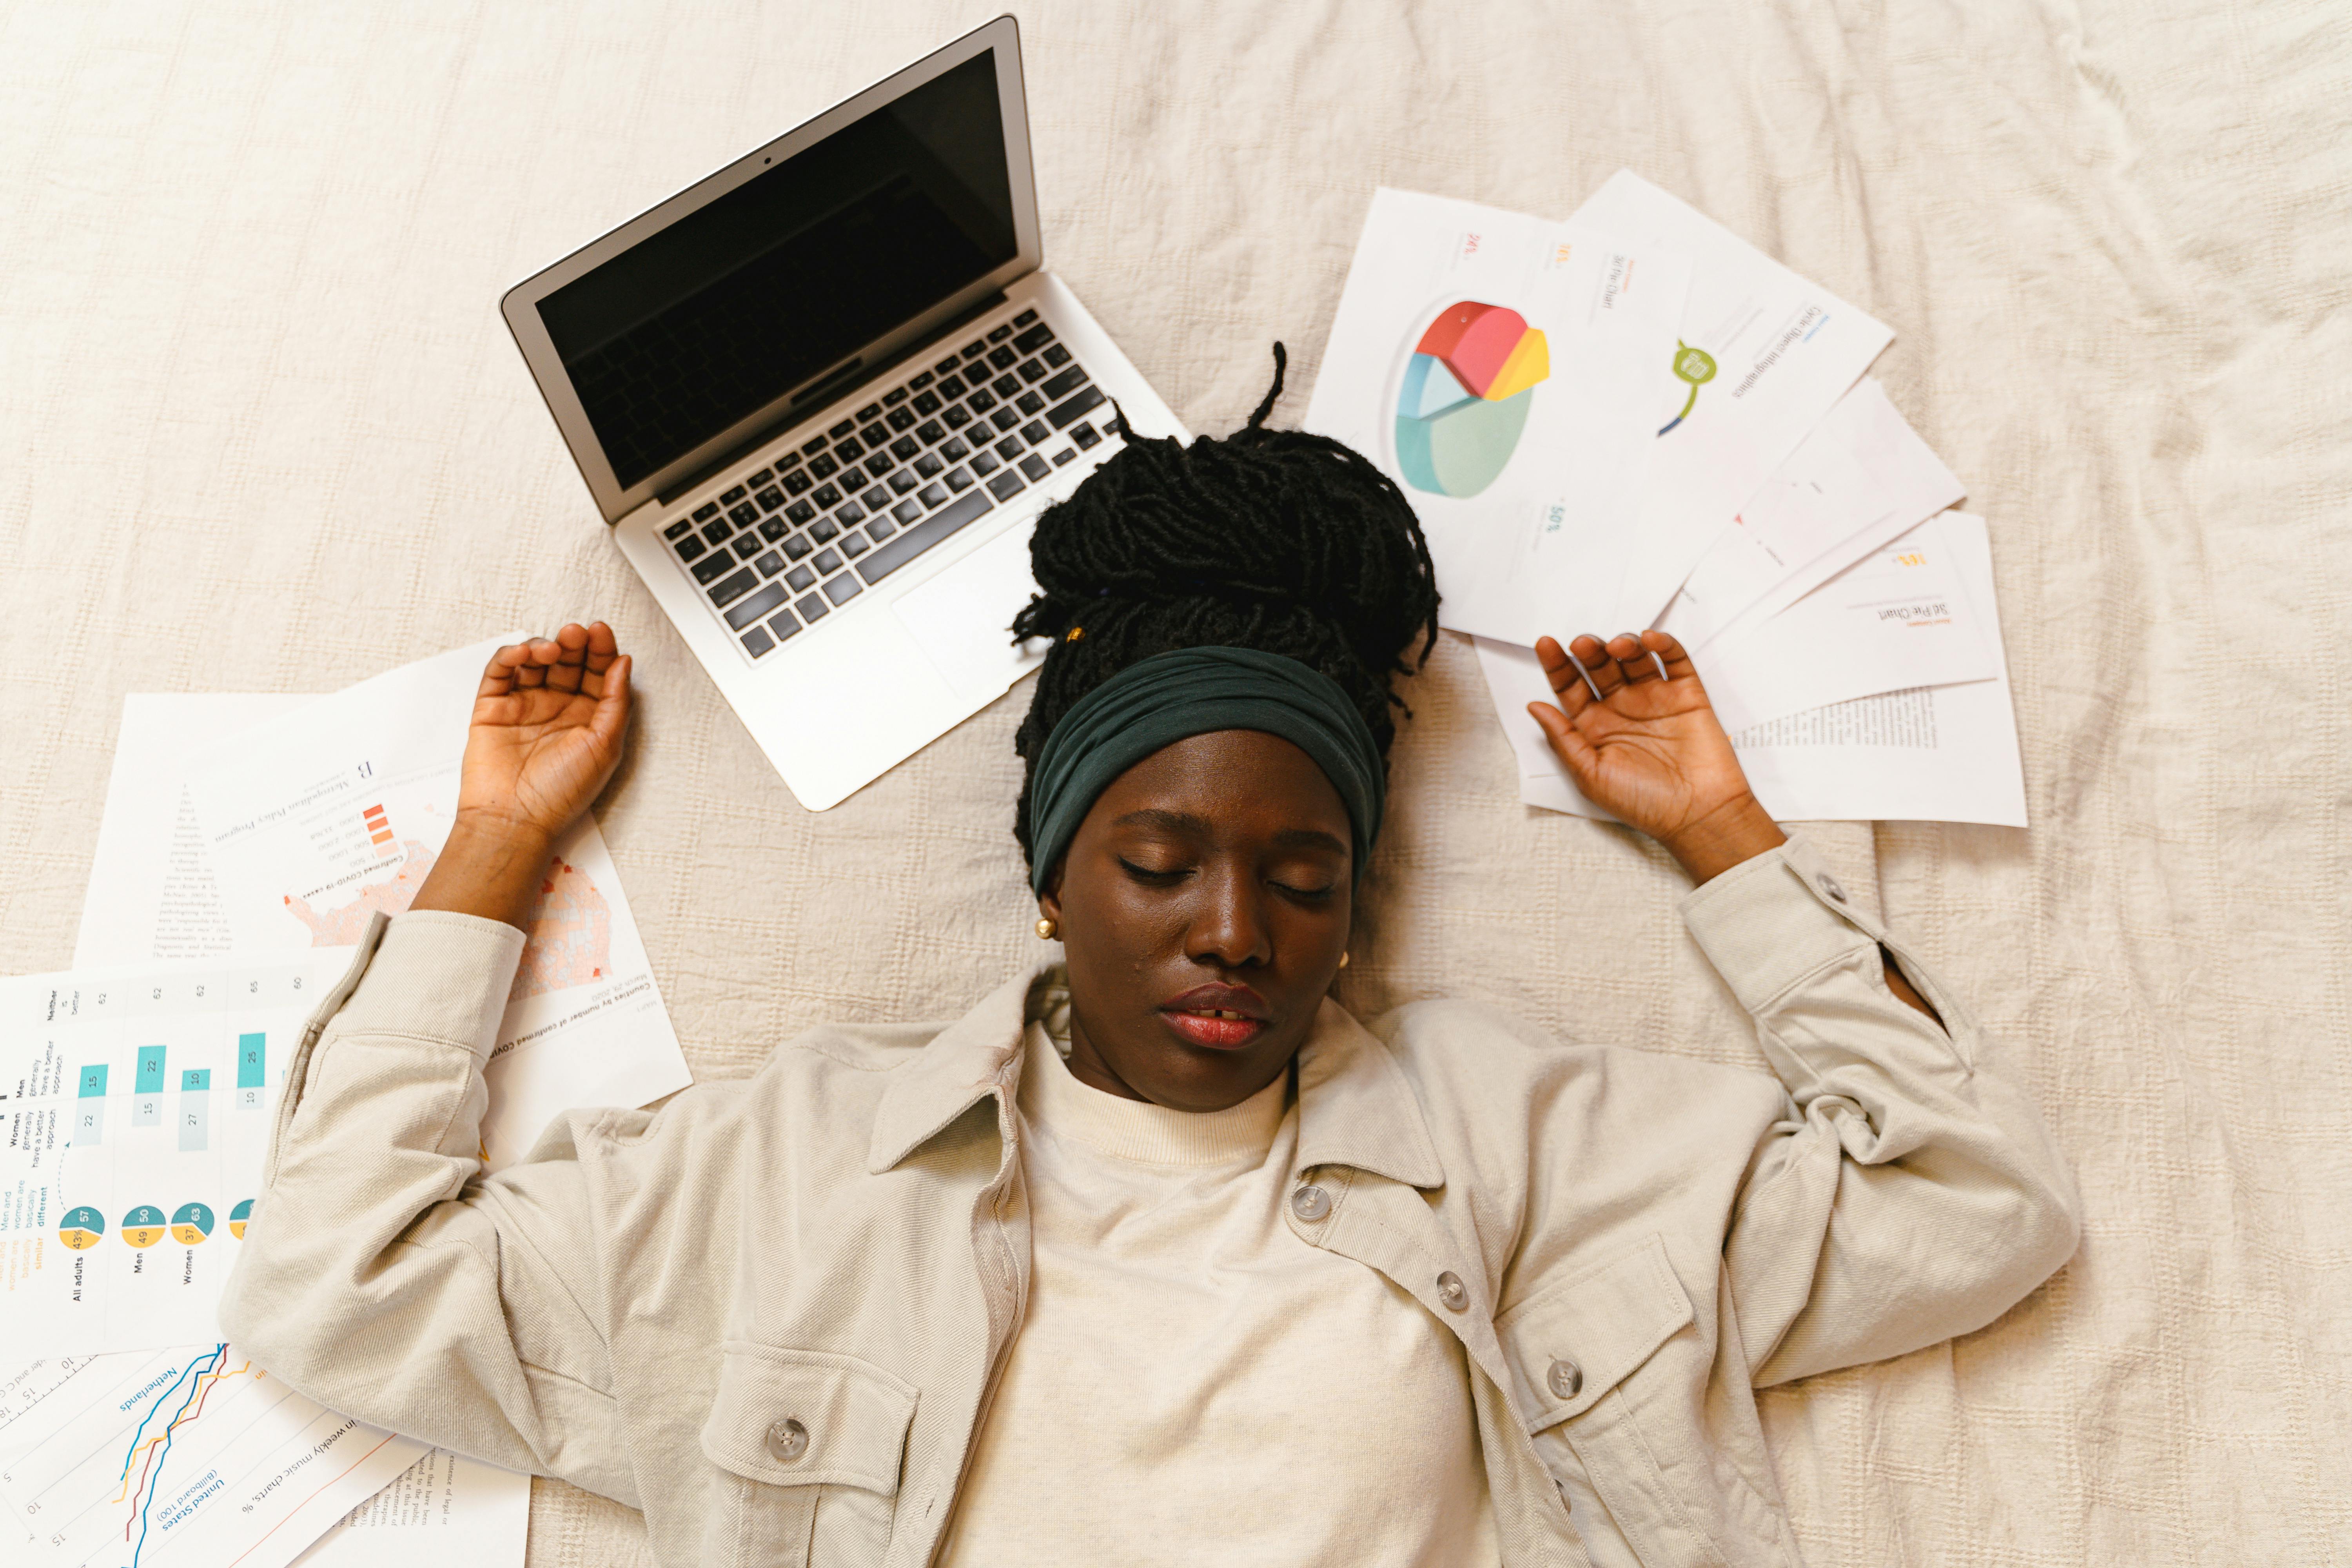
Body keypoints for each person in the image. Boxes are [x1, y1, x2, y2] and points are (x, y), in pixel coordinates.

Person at [220, 364, 2079, 1568]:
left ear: (1355, 903)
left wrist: (1721, 839)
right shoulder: (794, 1175)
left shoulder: (1528, 1148)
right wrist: (494, 852)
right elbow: (339, 1284)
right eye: (1160, 859)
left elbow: (1977, 1199)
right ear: (1050, 880)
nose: (1232, 931)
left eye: (1301, 873)